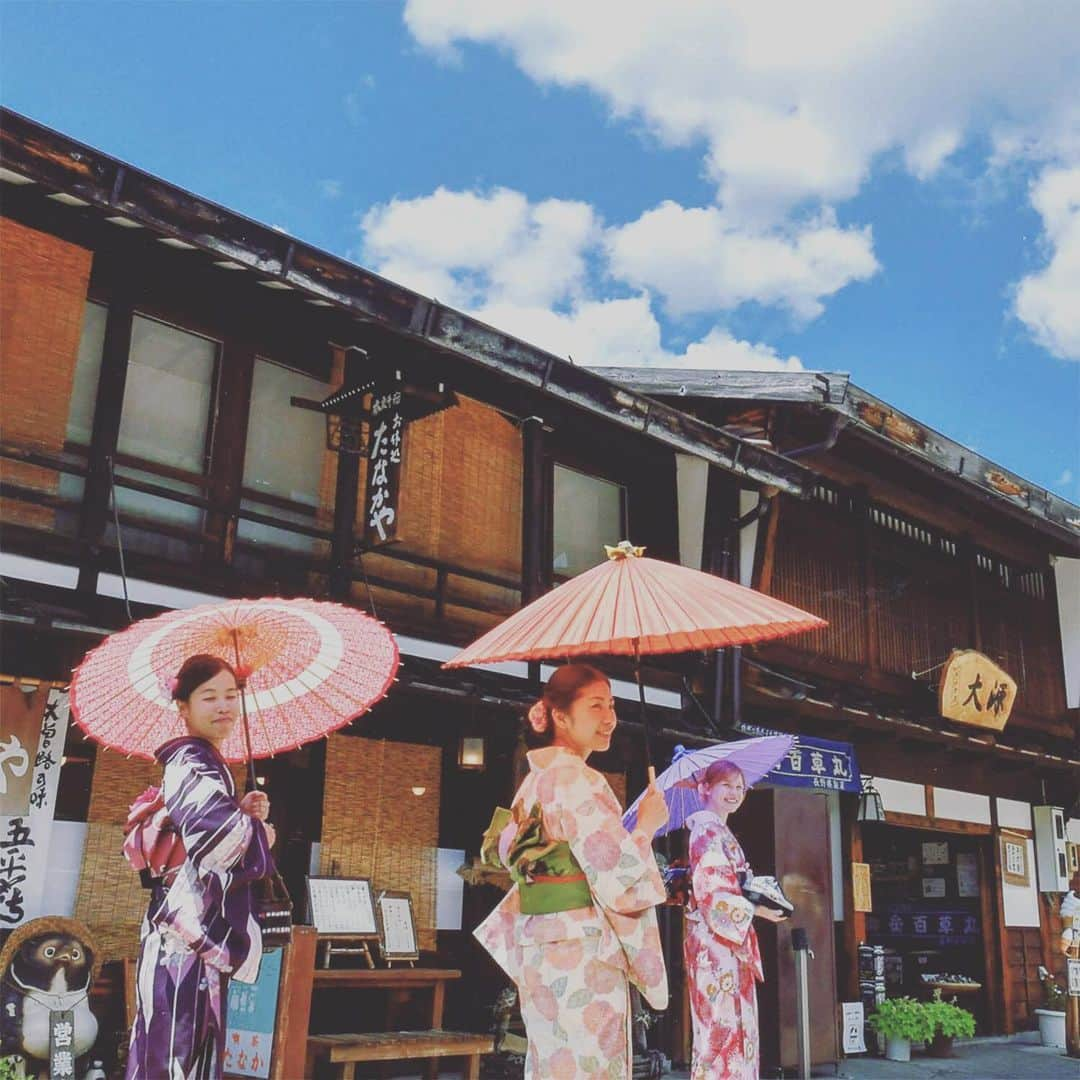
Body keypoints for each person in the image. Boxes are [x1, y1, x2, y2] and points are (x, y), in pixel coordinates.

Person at [475, 664, 670, 1080]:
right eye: (596, 705)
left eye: (613, 706)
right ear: (560, 717)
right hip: (581, 950)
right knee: (589, 1063)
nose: (610, 718)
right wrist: (648, 826)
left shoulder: (534, 782)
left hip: (540, 945)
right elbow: (615, 874)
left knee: (553, 1064)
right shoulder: (579, 780)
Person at [126, 654, 275, 1080]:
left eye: (231, 695)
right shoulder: (191, 760)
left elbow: (210, 825)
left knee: (184, 1048)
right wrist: (261, 834)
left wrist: (241, 809)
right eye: (209, 696)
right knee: (174, 1050)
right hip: (183, 935)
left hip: (191, 931)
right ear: (183, 707)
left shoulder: (207, 763)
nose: (224, 706)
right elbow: (217, 840)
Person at [684, 760, 787, 1080]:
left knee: (734, 1026)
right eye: (726, 785)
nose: (735, 793)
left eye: (740, 787)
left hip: (728, 939)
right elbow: (713, 893)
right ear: (705, 788)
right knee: (721, 1027)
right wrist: (758, 908)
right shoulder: (706, 829)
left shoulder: (719, 830)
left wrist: (756, 892)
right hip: (716, 945)